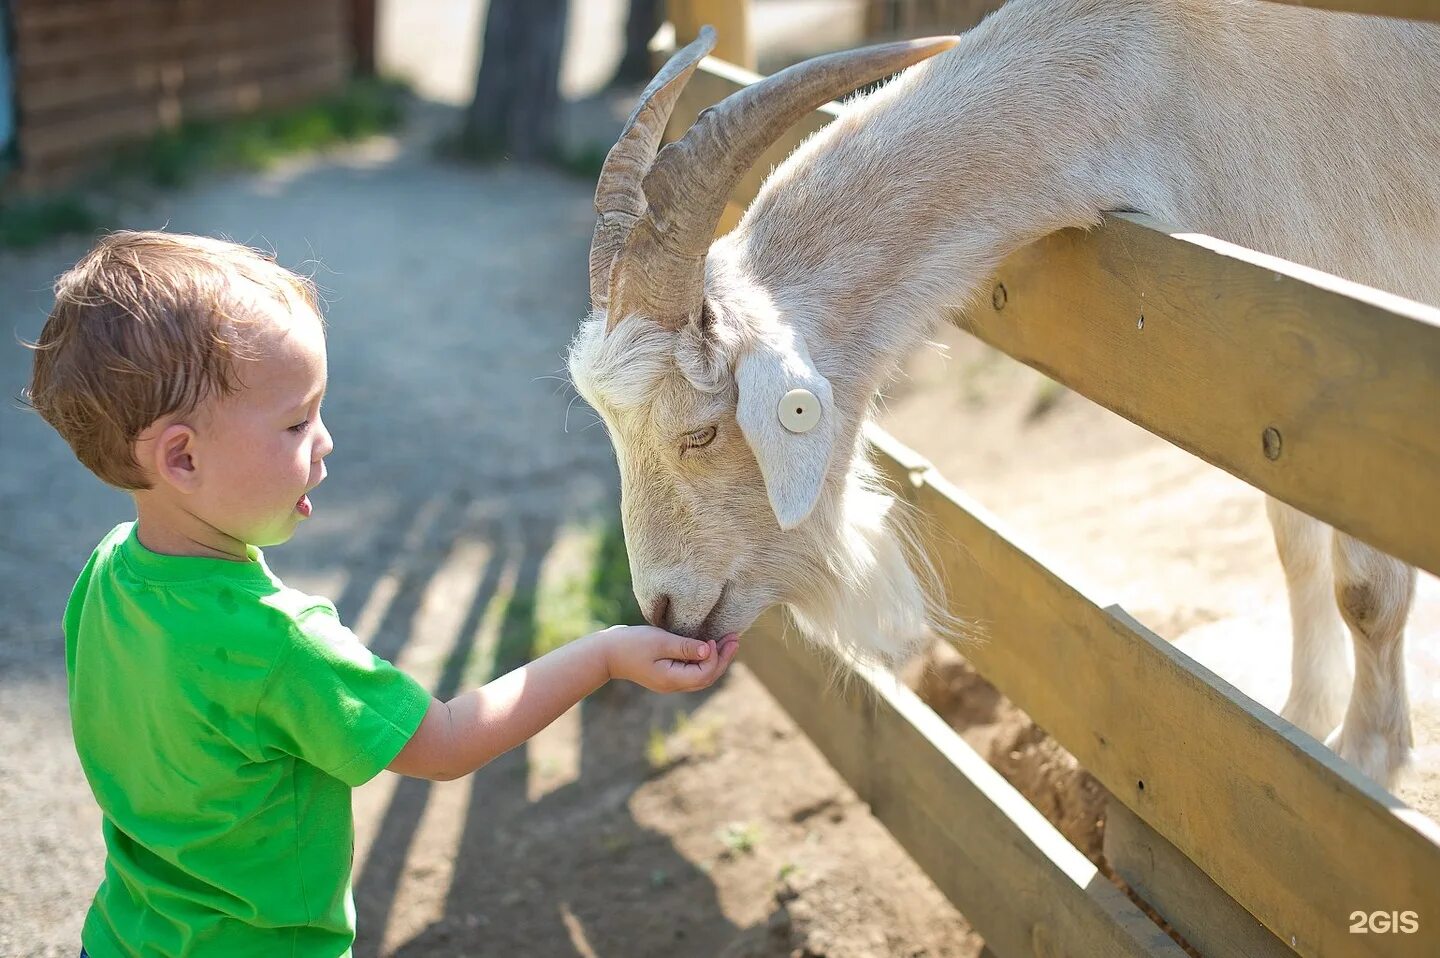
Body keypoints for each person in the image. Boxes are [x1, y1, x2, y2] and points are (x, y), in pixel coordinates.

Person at [23, 230, 741, 957]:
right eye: (297, 422)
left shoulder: (108, 573)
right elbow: (449, 742)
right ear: (183, 457)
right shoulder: (279, 642)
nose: (326, 441)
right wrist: (606, 655)